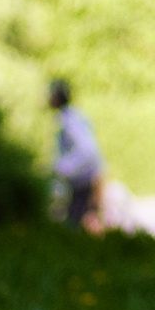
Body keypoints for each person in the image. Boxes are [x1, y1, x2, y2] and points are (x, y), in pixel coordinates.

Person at [49, 80, 103, 229]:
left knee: (76, 225)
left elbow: (87, 150)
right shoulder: (73, 116)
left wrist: (62, 168)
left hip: (84, 183)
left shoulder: (69, 121)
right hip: (85, 181)